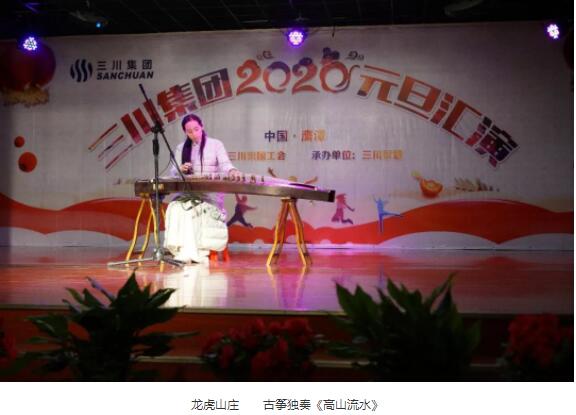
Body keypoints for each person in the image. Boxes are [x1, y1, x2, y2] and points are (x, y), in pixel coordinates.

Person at [163, 113, 241, 264]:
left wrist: (232, 170)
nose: (194, 134)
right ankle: (183, 251)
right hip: (188, 193)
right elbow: (173, 172)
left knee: (192, 210)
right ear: (185, 132)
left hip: (209, 195)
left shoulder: (215, 144)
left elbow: (225, 164)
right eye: (189, 131)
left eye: (196, 129)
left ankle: (194, 252)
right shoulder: (181, 148)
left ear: (202, 126)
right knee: (177, 208)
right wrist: (180, 169)